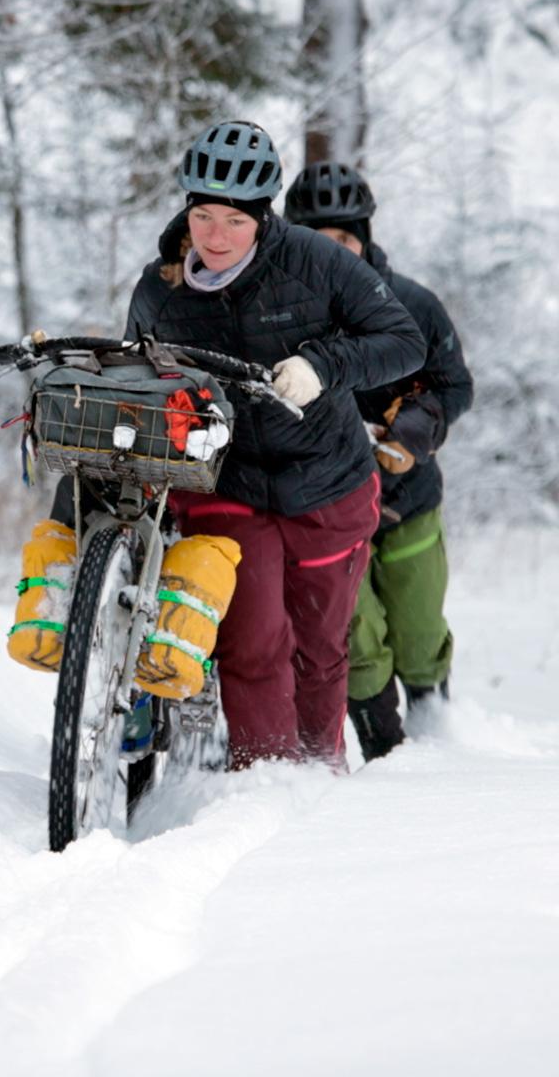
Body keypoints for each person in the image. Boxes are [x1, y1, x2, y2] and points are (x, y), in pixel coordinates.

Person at [123, 121, 426, 770]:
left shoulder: (316, 263)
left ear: (262, 216)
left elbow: (402, 340)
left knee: (318, 644)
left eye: (234, 220)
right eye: (202, 215)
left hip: (328, 480)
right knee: (253, 641)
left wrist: (323, 366)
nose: (215, 235)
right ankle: (263, 778)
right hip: (228, 484)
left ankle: (319, 776)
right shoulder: (162, 288)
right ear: (186, 210)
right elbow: (143, 382)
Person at [284, 161, 474, 762]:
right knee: (357, 638)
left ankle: (436, 738)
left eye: (343, 238)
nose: (332, 252)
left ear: (364, 238)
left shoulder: (413, 304)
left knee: (418, 634)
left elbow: (454, 385)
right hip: (328, 500)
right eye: (316, 240)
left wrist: (414, 429)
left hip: (408, 496)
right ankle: (388, 757)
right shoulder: (284, 312)